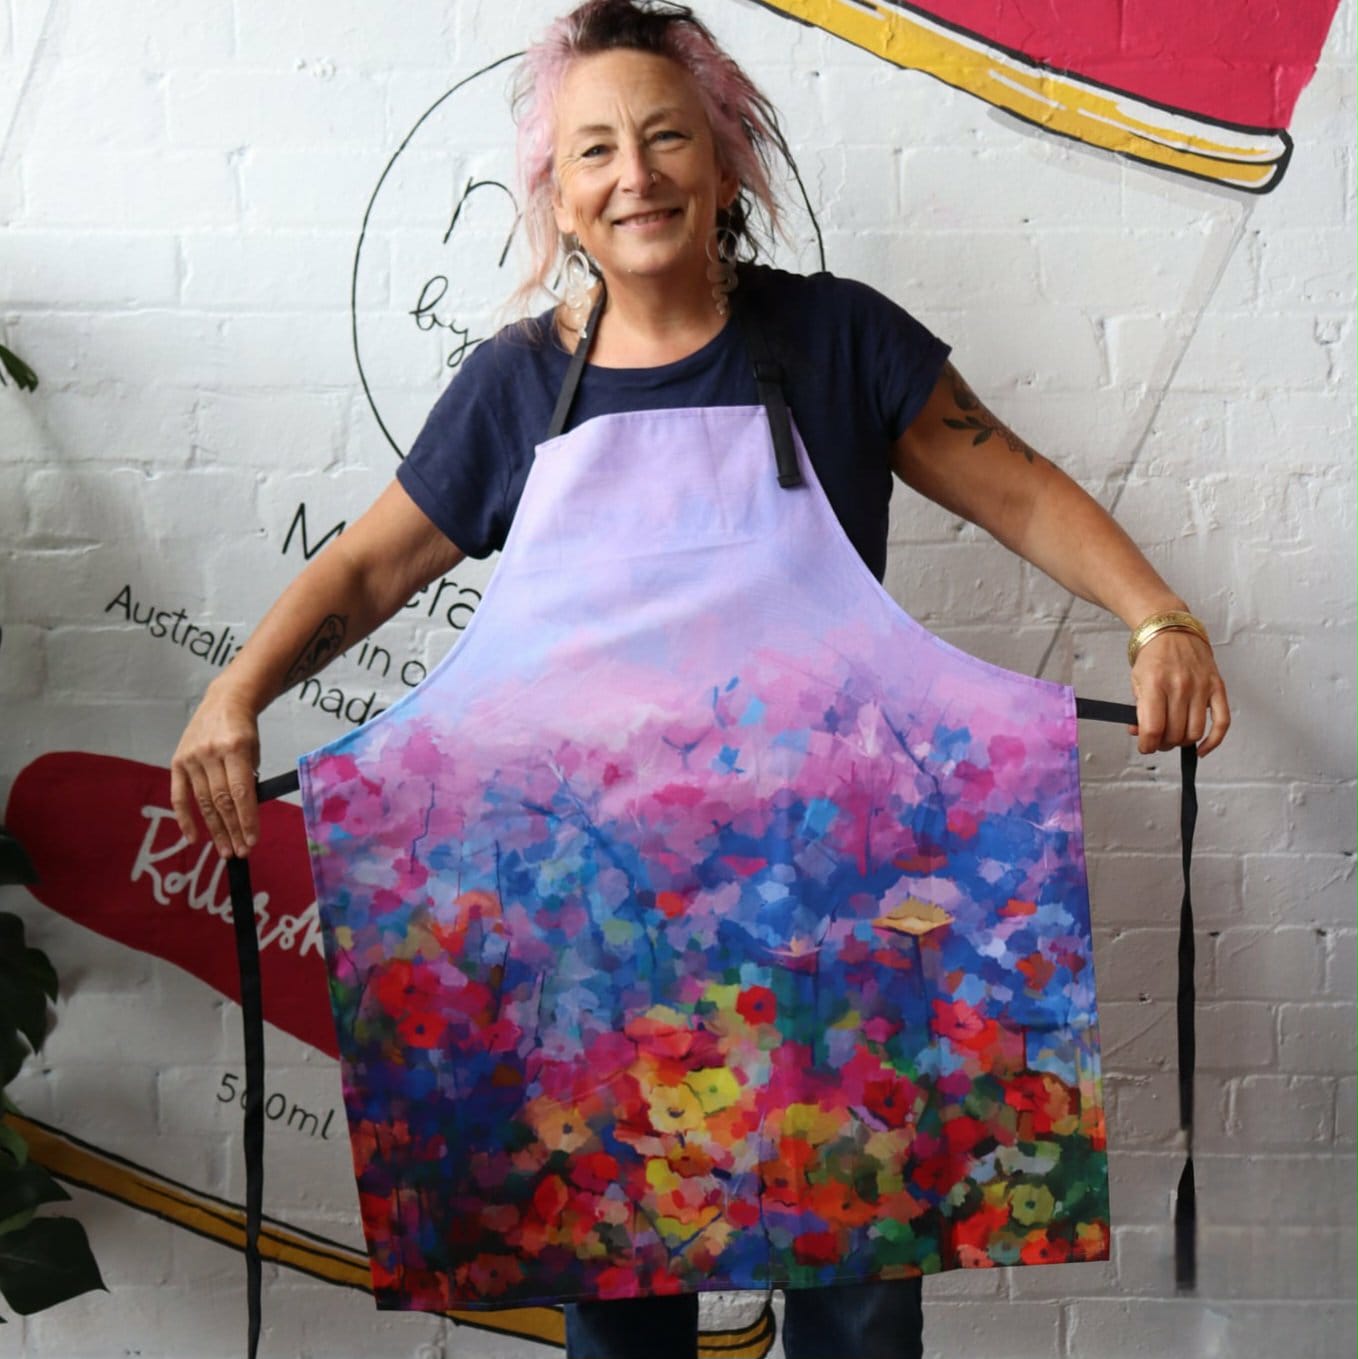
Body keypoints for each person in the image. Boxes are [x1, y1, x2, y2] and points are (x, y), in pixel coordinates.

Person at [171, 2, 1230, 1355]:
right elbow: (369, 569)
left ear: (724, 162)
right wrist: (234, 697)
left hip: (840, 930)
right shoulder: (517, 388)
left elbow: (1014, 488)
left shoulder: (838, 340)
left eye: (666, 137)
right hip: (599, 948)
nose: (636, 175)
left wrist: (1155, 617)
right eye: (595, 149)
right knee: (622, 1313)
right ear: (556, 192)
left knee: (856, 1308)